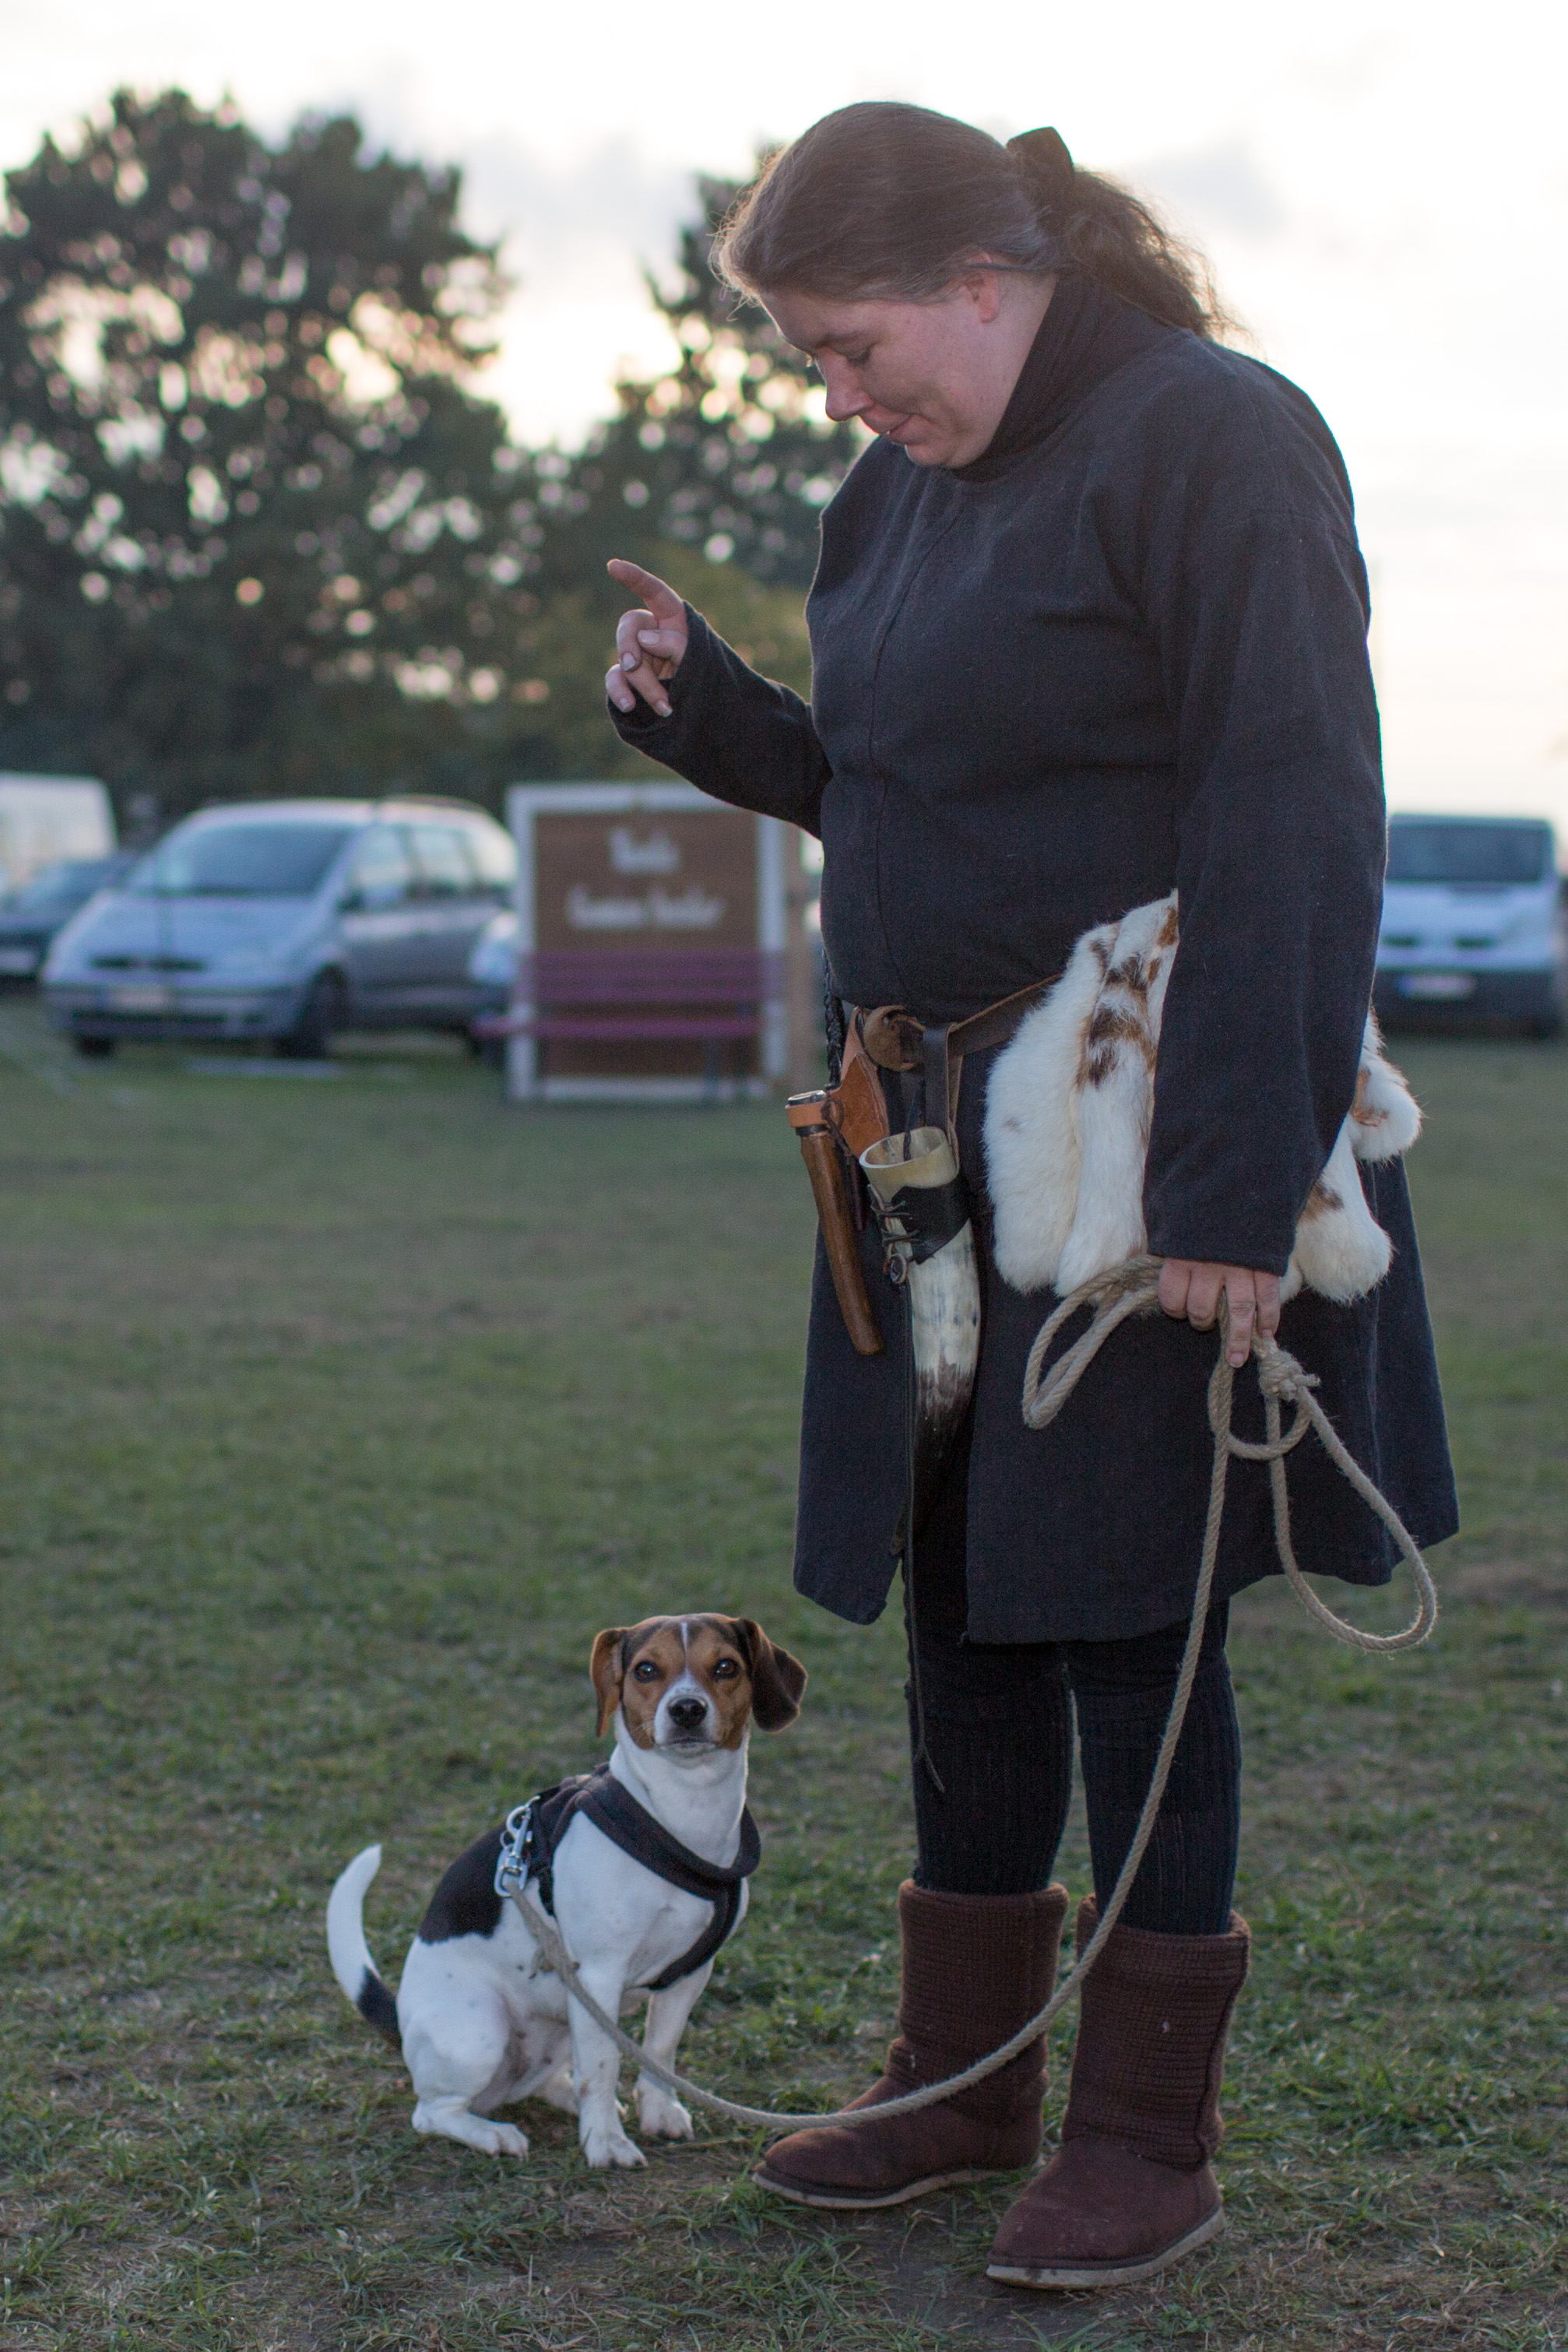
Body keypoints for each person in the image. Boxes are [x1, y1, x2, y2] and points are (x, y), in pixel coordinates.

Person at [603, 102, 1457, 2292]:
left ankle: (1148, 2142)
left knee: (1128, 1618)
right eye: (811, 357)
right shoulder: (891, 492)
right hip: (913, 1145)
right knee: (967, 1605)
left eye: (853, 343)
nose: (838, 394)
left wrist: (1234, 1185)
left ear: (983, 279)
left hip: (1136, 1138)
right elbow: (901, 788)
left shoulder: (1217, 442)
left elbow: (1297, 810)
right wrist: (721, 721)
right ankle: (962, 2086)